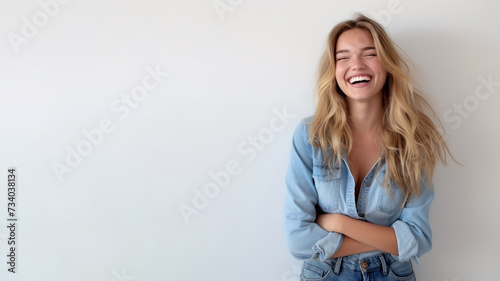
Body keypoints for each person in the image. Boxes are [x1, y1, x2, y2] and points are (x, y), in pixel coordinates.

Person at [283, 14, 453, 280]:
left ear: (386, 64)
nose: (356, 65)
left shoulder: (413, 138)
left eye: (369, 54)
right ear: (334, 70)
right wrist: (392, 239)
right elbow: (298, 242)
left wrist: (338, 223)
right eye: (343, 57)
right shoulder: (309, 136)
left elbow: (419, 238)